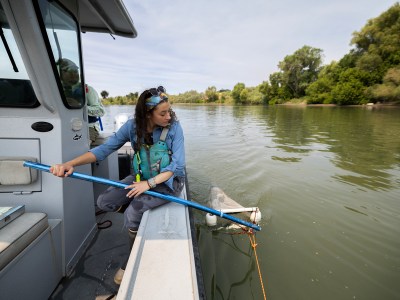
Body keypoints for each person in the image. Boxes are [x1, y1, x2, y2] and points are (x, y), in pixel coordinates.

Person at [49, 86, 186, 285]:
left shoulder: (174, 128)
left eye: (169, 111)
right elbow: (105, 149)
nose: (169, 117)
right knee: (104, 202)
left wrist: (149, 184)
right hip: (140, 178)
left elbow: (178, 165)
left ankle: (130, 259)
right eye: (163, 113)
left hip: (168, 182)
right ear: (147, 114)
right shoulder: (132, 127)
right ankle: (137, 225)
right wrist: (69, 164)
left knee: (132, 213)